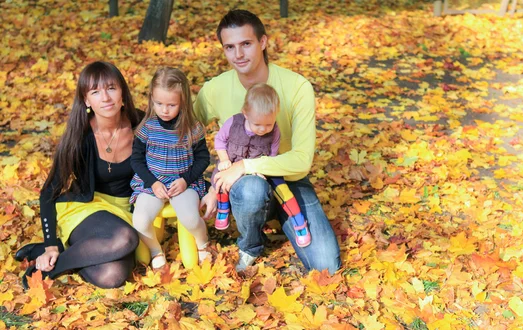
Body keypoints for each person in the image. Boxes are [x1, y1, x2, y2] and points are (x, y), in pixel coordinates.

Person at [193, 9, 341, 274]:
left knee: (326, 267)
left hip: (287, 180)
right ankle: (252, 241)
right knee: (251, 190)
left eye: (246, 44)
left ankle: (280, 214)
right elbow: (182, 133)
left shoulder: (297, 87)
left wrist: (246, 165)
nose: (238, 55)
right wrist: (204, 185)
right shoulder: (214, 88)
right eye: (230, 47)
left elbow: (302, 161)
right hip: (244, 186)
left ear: (262, 42)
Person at [15, 61, 144, 289]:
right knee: (125, 238)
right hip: (88, 207)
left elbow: (173, 159)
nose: (105, 98)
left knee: (112, 276)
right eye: (95, 92)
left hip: (128, 210)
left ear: (122, 91)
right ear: (86, 100)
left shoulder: (142, 125)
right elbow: (48, 193)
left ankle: (70, 252)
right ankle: (47, 269)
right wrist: (50, 244)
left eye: (111, 88)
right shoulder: (80, 135)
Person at [129, 67, 211, 269]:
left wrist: (185, 179)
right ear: (151, 99)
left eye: (171, 105)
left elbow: (203, 158)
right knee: (139, 220)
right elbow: (136, 160)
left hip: (184, 182)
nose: (164, 110)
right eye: (159, 103)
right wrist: (153, 183)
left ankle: (203, 242)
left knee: (191, 218)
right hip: (153, 184)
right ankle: (156, 250)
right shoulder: (147, 127)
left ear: (183, 101)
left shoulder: (192, 128)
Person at [212, 83, 311, 249]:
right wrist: (223, 159)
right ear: (246, 113)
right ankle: (223, 208)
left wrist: (261, 170)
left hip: (262, 169)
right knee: (220, 177)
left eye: (268, 125)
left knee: (283, 189)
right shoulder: (233, 123)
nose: (263, 130)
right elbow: (219, 141)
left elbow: (272, 156)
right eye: (257, 124)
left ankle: (299, 221)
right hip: (233, 164)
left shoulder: (275, 131)